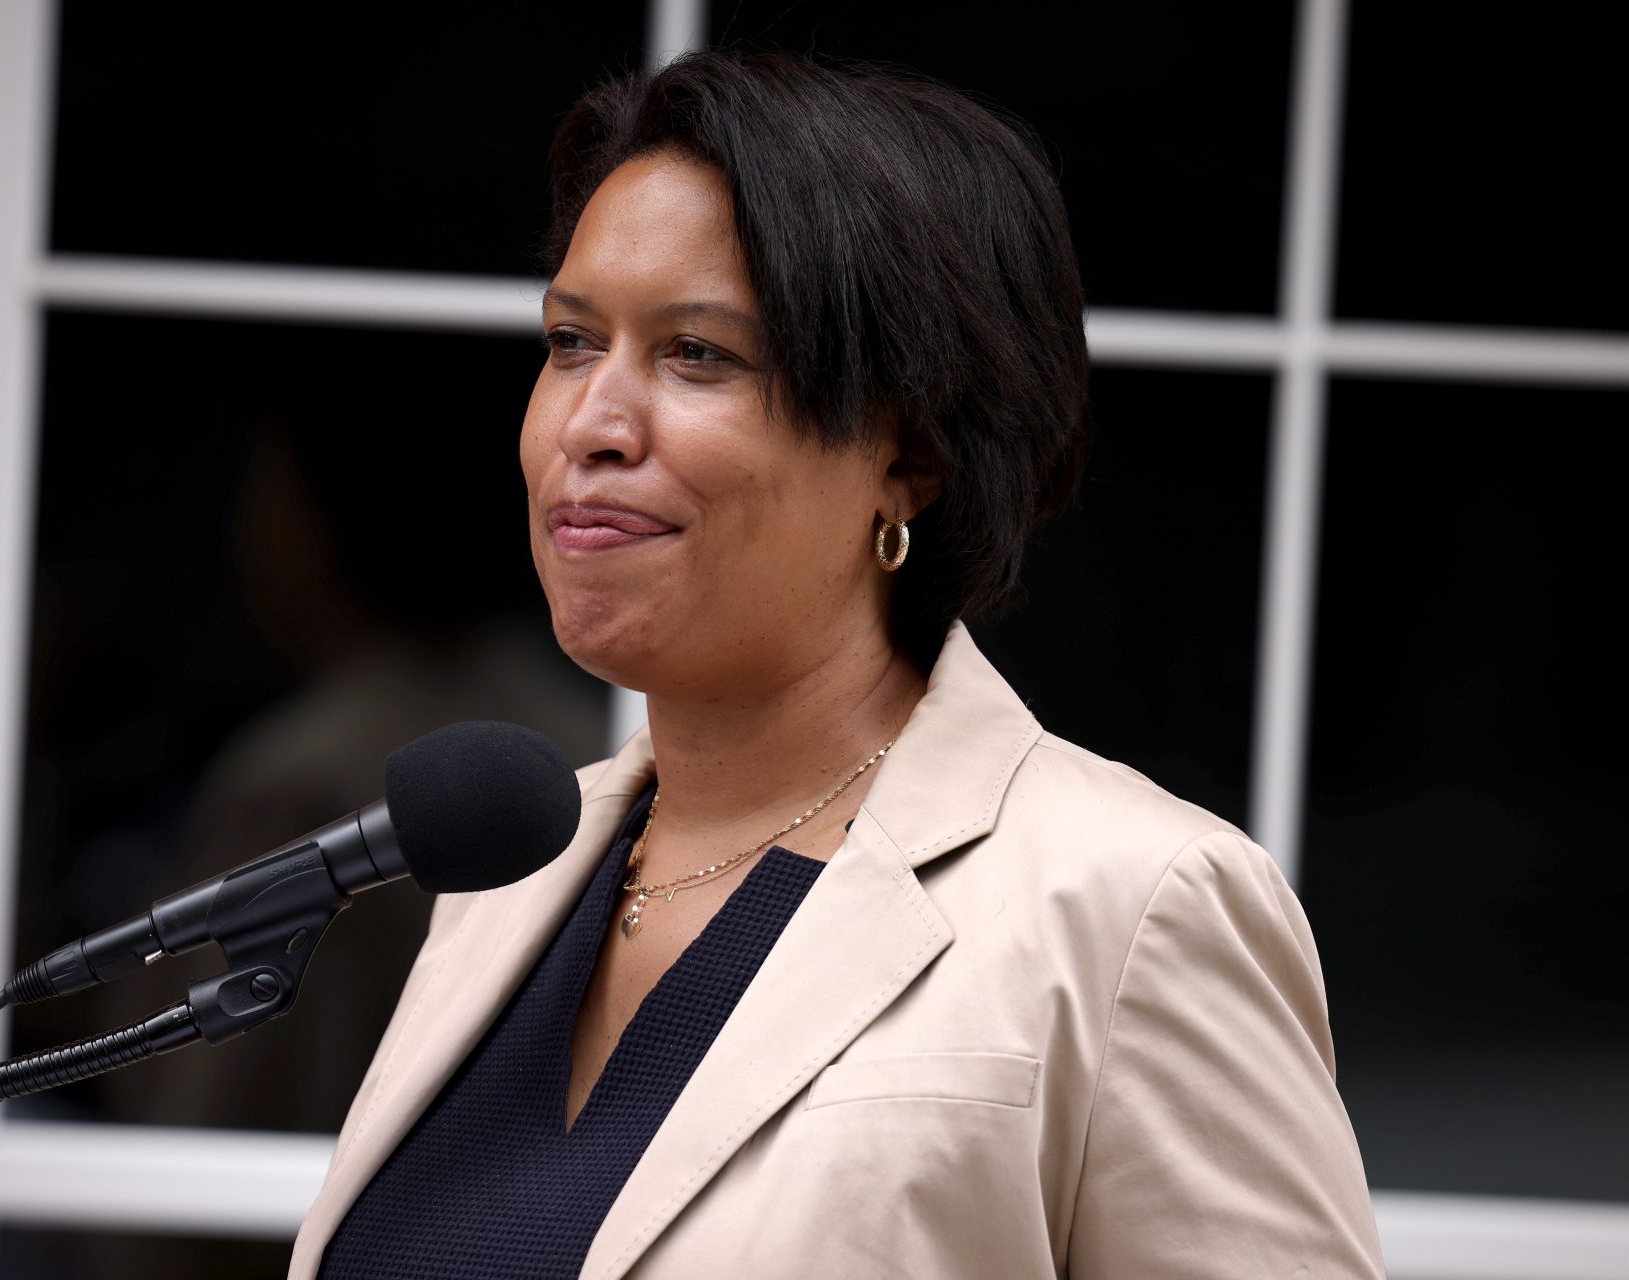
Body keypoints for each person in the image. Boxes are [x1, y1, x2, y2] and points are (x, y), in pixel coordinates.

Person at [296, 49, 1382, 1279]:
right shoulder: (511, 872)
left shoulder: (1129, 903)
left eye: (697, 353)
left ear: (908, 455)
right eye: (569, 339)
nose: (591, 423)